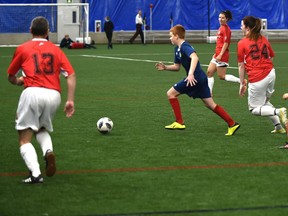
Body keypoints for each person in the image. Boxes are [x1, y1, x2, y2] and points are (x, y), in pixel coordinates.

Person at [7, 16, 76, 184]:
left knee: (24, 138)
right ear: (47, 32)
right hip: (54, 95)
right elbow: (71, 75)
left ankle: (36, 174)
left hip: (32, 93)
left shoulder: (23, 48)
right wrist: (70, 100)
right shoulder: (57, 50)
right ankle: (48, 151)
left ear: (30, 31)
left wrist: (18, 81)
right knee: (41, 128)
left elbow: (11, 76)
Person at [155, 24, 240, 135]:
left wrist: (190, 74)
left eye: (171, 36)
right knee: (210, 104)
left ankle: (179, 122)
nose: (170, 38)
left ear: (177, 36)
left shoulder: (185, 46)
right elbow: (177, 67)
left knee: (170, 93)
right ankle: (232, 124)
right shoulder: (177, 49)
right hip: (201, 78)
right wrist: (165, 67)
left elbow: (195, 57)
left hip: (195, 79)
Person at [237, 16, 287, 144]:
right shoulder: (263, 39)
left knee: (254, 109)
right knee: (264, 102)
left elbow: (241, 65)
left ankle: (279, 111)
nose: (240, 27)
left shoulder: (242, 43)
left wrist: (242, 83)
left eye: (242, 25)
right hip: (271, 74)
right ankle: (278, 127)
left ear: (248, 28)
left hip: (258, 78)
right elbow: (271, 57)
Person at [207, 10, 243, 95]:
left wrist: (220, 54)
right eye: (219, 17)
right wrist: (216, 53)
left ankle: (241, 81)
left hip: (222, 56)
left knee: (221, 76)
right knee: (209, 72)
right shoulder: (221, 28)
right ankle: (209, 92)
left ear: (227, 19)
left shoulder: (226, 29)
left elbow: (226, 43)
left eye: (223, 18)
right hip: (217, 54)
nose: (220, 19)